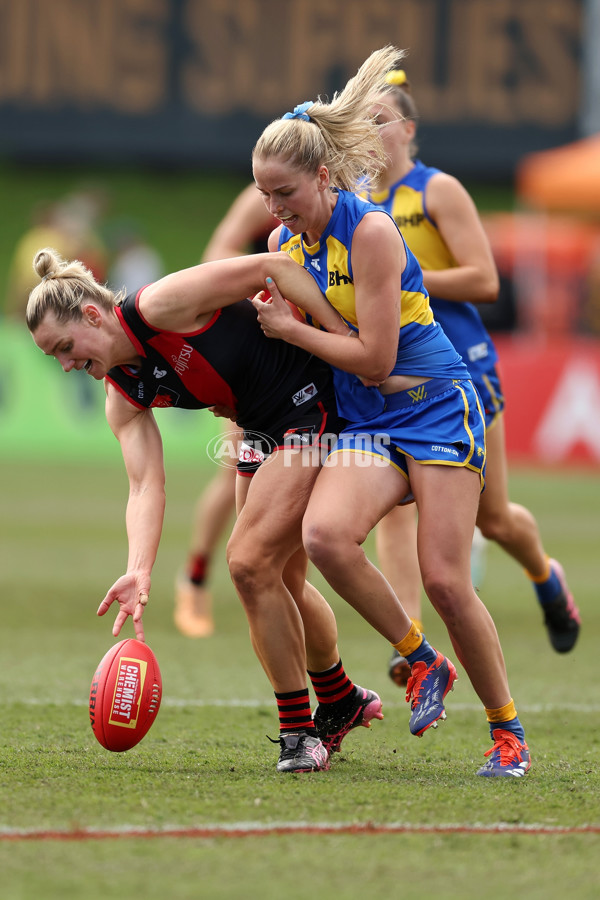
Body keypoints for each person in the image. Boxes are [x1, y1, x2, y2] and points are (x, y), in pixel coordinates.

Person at [251, 45, 531, 777]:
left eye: (284, 192)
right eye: (262, 194)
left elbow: (376, 357)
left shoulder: (372, 231)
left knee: (444, 579)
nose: (273, 210)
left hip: (436, 408)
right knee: (325, 536)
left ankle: (508, 734)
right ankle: (421, 658)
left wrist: (288, 328)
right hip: (369, 421)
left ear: (323, 175)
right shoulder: (286, 242)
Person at [26, 246, 397, 774]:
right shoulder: (122, 393)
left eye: (65, 347)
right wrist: (138, 570)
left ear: (92, 315)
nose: (66, 365)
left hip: (311, 400)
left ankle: (299, 733)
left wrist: (342, 339)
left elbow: (276, 269)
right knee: (279, 581)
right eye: (54, 358)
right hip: (260, 428)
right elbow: (144, 487)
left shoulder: (161, 305)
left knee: (247, 564)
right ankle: (339, 699)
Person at [364, 70, 580, 687]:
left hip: (461, 370)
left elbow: (486, 280)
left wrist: (398, 280)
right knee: (393, 511)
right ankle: (409, 639)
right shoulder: (355, 202)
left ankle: (545, 574)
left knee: (495, 520)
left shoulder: (437, 190)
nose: (371, 130)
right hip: (395, 374)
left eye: (382, 119)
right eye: (362, 120)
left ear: (408, 130)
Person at [174, 183, 279, 638]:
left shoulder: (357, 197)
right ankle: (194, 579)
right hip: (263, 347)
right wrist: (262, 288)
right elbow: (219, 249)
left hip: (319, 350)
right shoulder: (270, 192)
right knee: (237, 468)